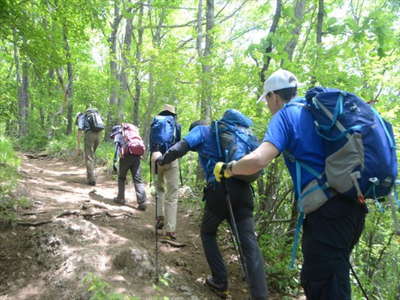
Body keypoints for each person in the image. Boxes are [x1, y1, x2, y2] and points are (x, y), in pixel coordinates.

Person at [214, 69, 368, 300]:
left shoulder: (285, 116)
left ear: (274, 96)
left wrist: (228, 169)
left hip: (328, 213)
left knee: (324, 287)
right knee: (331, 279)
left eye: (267, 98)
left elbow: (257, 160)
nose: (267, 104)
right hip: (353, 206)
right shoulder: (314, 112)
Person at [157, 120, 268, 300]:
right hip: (244, 190)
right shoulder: (232, 134)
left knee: (208, 233)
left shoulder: (201, 131)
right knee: (249, 243)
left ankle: (220, 281)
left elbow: (181, 147)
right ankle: (260, 295)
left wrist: (163, 159)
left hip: (219, 190)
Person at [149, 104, 181, 241]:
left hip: (155, 157)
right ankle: (170, 230)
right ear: (173, 114)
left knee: (159, 188)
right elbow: (179, 144)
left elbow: (151, 142)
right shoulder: (176, 125)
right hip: (171, 158)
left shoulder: (155, 121)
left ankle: (159, 217)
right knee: (172, 194)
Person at [111, 124, 147, 210]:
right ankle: (142, 202)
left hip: (126, 156)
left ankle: (120, 198)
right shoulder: (133, 131)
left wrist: (115, 161)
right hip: (136, 156)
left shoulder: (119, 132)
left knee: (121, 177)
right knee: (138, 179)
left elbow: (117, 146)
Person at [76, 108, 103, 186]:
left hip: (89, 134)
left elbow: (80, 130)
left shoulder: (82, 117)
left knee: (88, 157)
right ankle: (93, 175)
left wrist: (78, 145)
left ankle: (91, 180)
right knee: (92, 155)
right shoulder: (96, 116)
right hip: (98, 135)